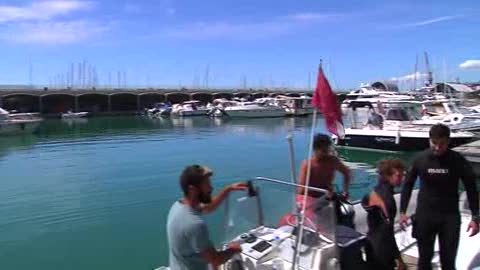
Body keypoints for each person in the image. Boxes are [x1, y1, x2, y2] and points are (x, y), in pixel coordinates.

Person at [399, 124, 479, 270]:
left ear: (448, 141)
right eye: (434, 143)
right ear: (429, 140)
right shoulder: (420, 159)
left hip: (449, 217)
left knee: (448, 261)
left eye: (441, 144)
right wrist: (403, 211)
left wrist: (475, 217)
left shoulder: (457, 160)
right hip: (425, 216)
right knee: (424, 260)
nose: (437, 147)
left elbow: (471, 188)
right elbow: (407, 185)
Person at [167, 164, 248, 270]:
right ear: (192, 189)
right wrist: (233, 249)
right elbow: (216, 260)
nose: (211, 187)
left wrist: (228, 189)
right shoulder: (194, 224)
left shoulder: (178, 206)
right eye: (206, 184)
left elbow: (208, 207)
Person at [362, 159, 407, 270]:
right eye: (399, 175)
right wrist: (398, 258)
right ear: (387, 176)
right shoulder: (387, 199)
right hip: (381, 251)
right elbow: (387, 233)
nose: (403, 178)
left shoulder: (375, 191)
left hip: (370, 243)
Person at [297, 133, 351, 198]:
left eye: (327, 149)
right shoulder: (307, 164)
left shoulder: (333, 161)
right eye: (323, 150)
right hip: (310, 198)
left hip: (327, 197)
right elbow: (301, 189)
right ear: (315, 149)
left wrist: (345, 190)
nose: (326, 152)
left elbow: (347, 173)